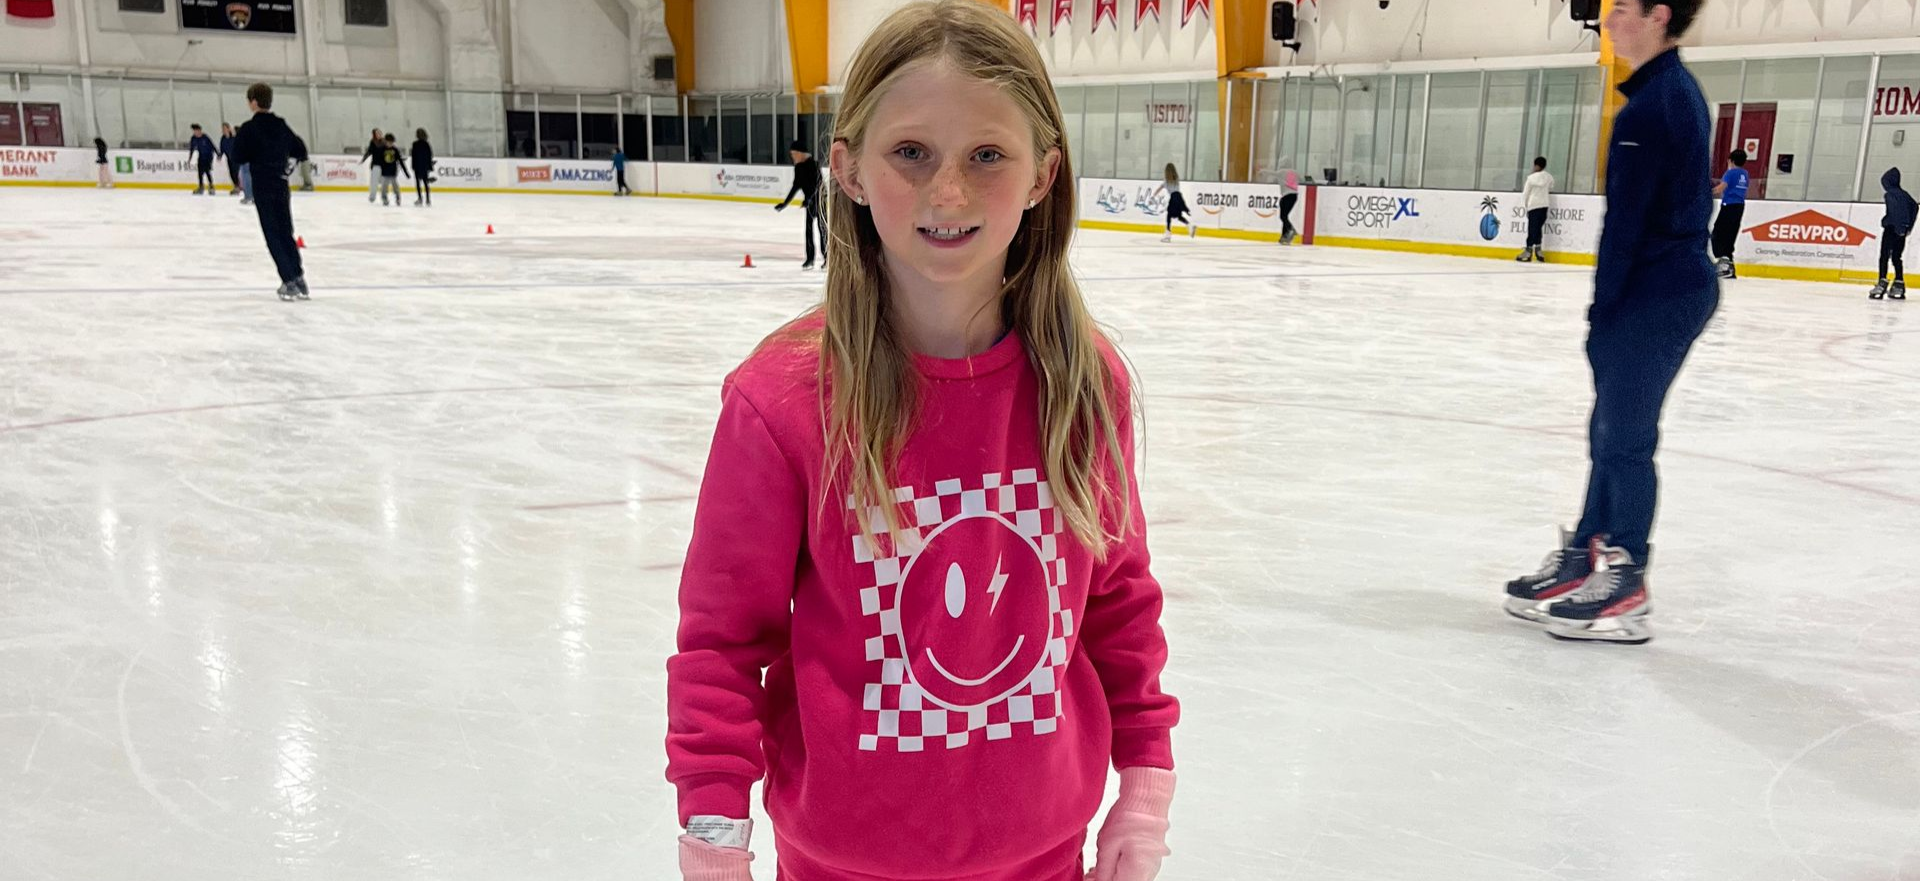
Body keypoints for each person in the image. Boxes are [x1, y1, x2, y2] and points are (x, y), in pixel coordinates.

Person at [665, 3, 1180, 881]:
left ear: (1044, 173)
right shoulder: (782, 400)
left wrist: (1144, 790)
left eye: (987, 155)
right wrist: (714, 836)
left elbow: (1117, 602)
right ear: (849, 169)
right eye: (911, 152)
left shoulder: (1083, 383)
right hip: (840, 865)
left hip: (1044, 859)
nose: (948, 193)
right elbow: (723, 641)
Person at [1502, 0, 1718, 646]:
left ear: (1658, 15)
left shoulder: (1654, 108)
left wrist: (1604, 309)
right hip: (1659, 286)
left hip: (1658, 292)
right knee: (1609, 429)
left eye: (1621, 7)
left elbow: (1627, 225)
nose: (1607, 19)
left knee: (1625, 435)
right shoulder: (1664, 95)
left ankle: (1627, 578)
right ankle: (1586, 552)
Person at [228, 82, 309, 302]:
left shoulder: (249, 128)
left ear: (254, 102)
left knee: (273, 234)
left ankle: (288, 280)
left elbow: (237, 156)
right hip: (281, 184)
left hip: (263, 185)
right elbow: (300, 149)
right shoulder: (280, 125)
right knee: (285, 231)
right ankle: (298, 277)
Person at [774, 139, 826, 269]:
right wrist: (785, 203)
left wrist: (810, 199)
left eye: (794, 154)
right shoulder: (798, 168)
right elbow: (796, 186)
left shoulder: (813, 165)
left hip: (820, 201)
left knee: (822, 229)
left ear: (800, 153)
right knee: (808, 230)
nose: (792, 157)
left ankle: (828, 257)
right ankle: (810, 259)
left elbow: (817, 186)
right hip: (809, 202)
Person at [1871, 168, 1914, 300]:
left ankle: (1882, 281)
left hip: (1891, 228)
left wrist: (1891, 223)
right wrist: (1907, 226)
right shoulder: (1905, 195)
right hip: (1902, 230)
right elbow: (1914, 206)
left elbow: (1895, 211)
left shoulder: (1890, 195)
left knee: (1884, 256)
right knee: (1896, 257)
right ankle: (1899, 283)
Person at [1710, 148, 1749, 279]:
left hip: (1729, 206)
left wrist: (1706, 193)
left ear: (1730, 161)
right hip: (1739, 206)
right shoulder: (1745, 174)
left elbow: (1721, 188)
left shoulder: (1730, 173)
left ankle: (1724, 262)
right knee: (1730, 234)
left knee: (1718, 233)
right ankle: (1728, 264)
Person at [1517, 156, 1553, 263]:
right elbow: (1551, 186)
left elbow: (1526, 193)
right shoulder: (1549, 177)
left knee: (1532, 228)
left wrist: (1525, 206)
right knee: (1538, 228)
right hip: (1544, 205)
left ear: (1536, 165)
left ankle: (1528, 251)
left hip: (1533, 206)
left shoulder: (1531, 178)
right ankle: (1538, 250)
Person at [1160, 162, 1194, 242]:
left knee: (1169, 215)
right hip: (1179, 198)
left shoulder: (1166, 181)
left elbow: (1160, 187)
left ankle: (1168, 235)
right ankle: (1189, 225)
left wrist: (1154, 195)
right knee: (1178, 216)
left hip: (1173, 198)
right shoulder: (1176, 178)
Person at [374, 133, 407, 207]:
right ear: (386, 141)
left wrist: (405, 172)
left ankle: (398, 198)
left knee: (395, 186)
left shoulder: (395, 149)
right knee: (384, 187)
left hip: (393, 172)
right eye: (389, 142)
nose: (390, 144)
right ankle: (384, 198)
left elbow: (400, 160)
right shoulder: (382, 149)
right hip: (384, 172)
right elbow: (378, 160)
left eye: (392, 142)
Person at [186, 124, 216, 195]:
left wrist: (218, 154)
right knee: (200, 172)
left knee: (207, 171)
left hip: (208, 156)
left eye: (196, 131)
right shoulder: (193, 138)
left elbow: (212, 146)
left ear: (199, 130)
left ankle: (211, 186)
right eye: (194, 131)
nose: (195, 132)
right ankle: (201, 186)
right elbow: (192, 148)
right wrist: (190, 158)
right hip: (201, 156)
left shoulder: (205, 137)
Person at [358, 128, 384, 203]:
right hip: (375, 165)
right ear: (374, 135)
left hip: (384, 166)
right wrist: (363, 159)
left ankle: (384, 196)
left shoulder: (385, 142)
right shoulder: (373, 142)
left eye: (379, 132)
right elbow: (369, 152)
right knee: (374, 182)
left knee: (384, 183)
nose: (379, 134)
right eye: (377, 133)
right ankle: (372, 196)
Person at [410, 128, 435, 206]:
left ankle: (420, 198)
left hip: (418, 166)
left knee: (418, 183)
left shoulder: (415, 144)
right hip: (424, 166)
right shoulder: (426, 144)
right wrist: (429, 166)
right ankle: (428, 199)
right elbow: (430, 156)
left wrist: (413, 166)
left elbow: (413, 156)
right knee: (425, 183)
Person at [1276, 166, 1300, 245]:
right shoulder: (1294, 172)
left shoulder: (1282, 172)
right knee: (1284, 216)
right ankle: (1284, 236)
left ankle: (1290, 229)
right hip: (1293, 196)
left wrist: (1263, 171)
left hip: (1287, 196)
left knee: (1283, 216)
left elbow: (1272, 173)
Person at [218, 123, 240, 195]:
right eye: (222, 129)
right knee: (231, 172)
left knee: (235, 172)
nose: (223, 130)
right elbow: (222, 147)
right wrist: (220, 155)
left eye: (225, 128)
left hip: (236, 157)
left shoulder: (234, 137)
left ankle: (238, 186)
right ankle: (236, 185)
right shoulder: (223, 138)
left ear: (228, 128)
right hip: (229, 158)